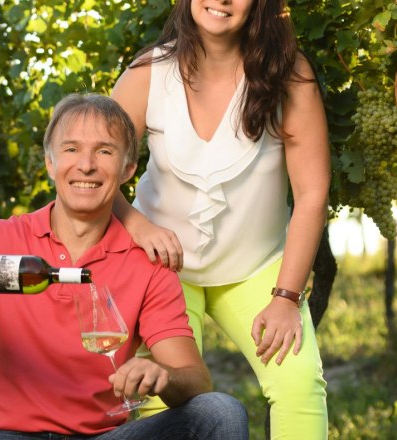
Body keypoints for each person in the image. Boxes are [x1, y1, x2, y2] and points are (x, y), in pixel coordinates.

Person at [0, 93, 248, 440]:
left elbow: (195, 380)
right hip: (0, 435)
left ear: (128, 169)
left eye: (104, 151)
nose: (86, 165)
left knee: (220, 411)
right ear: (50, 163)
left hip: (103, 436)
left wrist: (163, 375)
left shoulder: (148, 264)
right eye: (71, 149)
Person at [110, 0, 330, 438]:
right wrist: (140, 226)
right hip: (162, 270)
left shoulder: (290, 76)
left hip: (257, 269)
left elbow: (311, 194)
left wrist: (286, 297)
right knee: (163, 396)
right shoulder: (148, 74)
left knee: (300, 385)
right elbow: (97, 170)